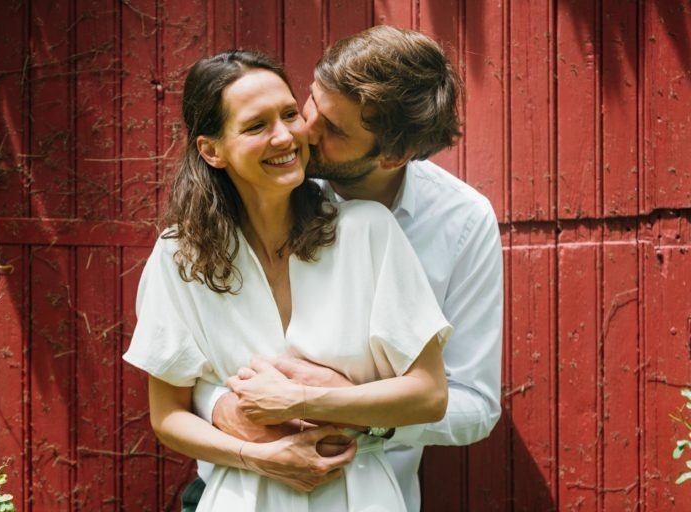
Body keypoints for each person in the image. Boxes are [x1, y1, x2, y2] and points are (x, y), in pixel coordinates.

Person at [123, 49, 454, 511]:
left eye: (289, 114)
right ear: (211, 150)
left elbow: (430, 394)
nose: (285, 137)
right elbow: (167, 415)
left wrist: (299, 399)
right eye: (257, 126)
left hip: (360, 495)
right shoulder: (179, 256)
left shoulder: (367, 231)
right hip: (240, 495)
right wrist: (259, 457)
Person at [191, 25, 504, 512]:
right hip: (232, 486)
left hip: (367, 492)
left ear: (395, 154)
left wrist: (359, 409)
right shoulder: (260, 180)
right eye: (311, 101)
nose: (304, 130)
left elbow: (475, 405)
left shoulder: (461, 223)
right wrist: (222, 409)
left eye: (334, 130)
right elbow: (189, 356)